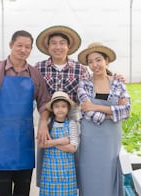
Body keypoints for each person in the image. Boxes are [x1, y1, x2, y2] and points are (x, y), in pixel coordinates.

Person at [0, 30, 50, 196]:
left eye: (27, 47)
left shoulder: (34, 74)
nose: (23, 50)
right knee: (2, 192)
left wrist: (43, 123)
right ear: (11, 45)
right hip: (3, 142)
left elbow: (44, 103)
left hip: (24, 141)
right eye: (19, 45)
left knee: (23, 191)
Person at [34, 25, 90, 186]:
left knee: (74, 149)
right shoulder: (39, 68)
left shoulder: (80, 69)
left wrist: (114, 77)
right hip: (46, 114)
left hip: (72, 114)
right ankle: (46, 184)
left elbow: (90, 89)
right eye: (53, 43)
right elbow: (36, 95)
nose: (58, 47)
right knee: (45, 147)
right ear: (48, 47)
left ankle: (73, 185)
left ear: (68, 47)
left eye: (62, 43)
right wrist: (43, 122)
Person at [76, 42, 131, 196]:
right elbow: (89, 114)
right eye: (90, 62)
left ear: (107, 61)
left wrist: (96, 106)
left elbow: (126, 111)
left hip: (111, 138)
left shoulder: (117, 83)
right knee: (90, 173)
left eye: (98, 60)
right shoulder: (84, 84)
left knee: (109, 173)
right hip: (90, 138)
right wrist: (114, 113)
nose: (94, 65)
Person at [38, 91, 79, 196]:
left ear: (68, 109)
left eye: (63, 106)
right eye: (57, 106)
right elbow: (41, 144)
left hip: (67, 170)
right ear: (52, 109)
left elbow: (73, 147)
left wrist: (51, 143)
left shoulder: (72, 124)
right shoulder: (47, 124)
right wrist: (61, 141)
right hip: (50, 170)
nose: (60, 109)